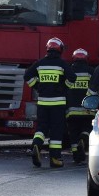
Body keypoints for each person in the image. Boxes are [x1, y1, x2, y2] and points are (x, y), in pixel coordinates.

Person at [24, 37, 75, 168]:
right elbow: (72, 77)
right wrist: (64, 87)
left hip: (42, 103)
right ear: (60, 50)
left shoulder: (40, 63)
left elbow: (27, 76)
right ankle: (55, 158)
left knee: (41, 128)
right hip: (58, 104)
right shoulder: (62, 64)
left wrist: (37, 86)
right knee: (56, 131)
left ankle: (36, 144)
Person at [66, 48, 94, 164]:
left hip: (71, 110)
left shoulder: (69, 70)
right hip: (87, 110)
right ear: (86, 59)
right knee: (87, 128)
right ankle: (83, 139)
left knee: (73, 132)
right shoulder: (91, 71)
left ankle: (76, 155)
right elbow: (95, 87)